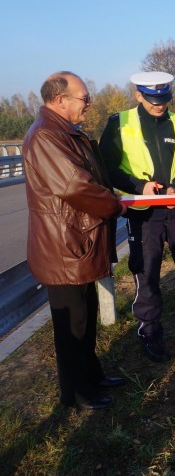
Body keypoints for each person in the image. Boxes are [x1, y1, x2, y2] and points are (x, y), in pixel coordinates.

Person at [23, 71, 127, 410]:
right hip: (63, 248)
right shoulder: (46, 136)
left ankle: (91, 376)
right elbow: (74, 186)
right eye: (84, 98)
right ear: (60, 100)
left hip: (75, 243)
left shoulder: (63, 132)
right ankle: (78, 394)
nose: (89, 103)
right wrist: (113, 204)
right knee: (73, 326)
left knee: (86, 316)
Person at [99, 71, 175, 363]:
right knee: (146, 271)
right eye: (152, 100)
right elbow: (107, 168)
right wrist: (139, 187)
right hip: (144, 213)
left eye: (164, 99)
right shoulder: (119, 124)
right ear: (138, 95)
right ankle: (150, 330)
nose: (159, 105)